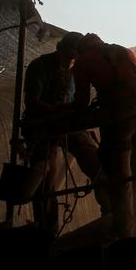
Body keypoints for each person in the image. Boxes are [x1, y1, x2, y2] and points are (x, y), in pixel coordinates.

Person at [23, 31, 109, 235]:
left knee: (98, 165)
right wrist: (57, 110)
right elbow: (32, 102)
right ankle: (47, 232)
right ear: (60, 49)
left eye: (75, 55)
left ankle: (110, 214)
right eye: (70, 54)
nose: (72, 58)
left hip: (66, 125)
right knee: (45, 181)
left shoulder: (75, 70)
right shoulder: (40, 66)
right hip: (42, 128)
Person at [73, 33, 136, 238]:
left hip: (119, 116)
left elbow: (81, 103)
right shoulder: (124, 52)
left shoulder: (83, 60)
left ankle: (124, 234)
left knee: (120, 177)